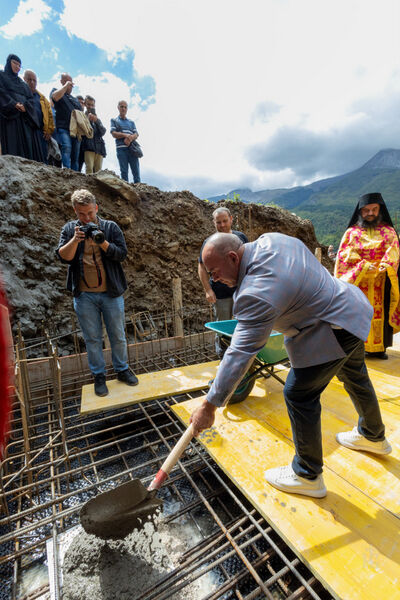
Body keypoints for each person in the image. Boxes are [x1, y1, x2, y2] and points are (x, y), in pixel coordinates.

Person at [190, 232, 391, 498]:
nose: (214, 280)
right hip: (351, 310)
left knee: (299, 394)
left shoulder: (256, 291)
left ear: (232, 257)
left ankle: (307, 474)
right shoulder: (272, 240)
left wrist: (210, 404)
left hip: (334, 327)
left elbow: (240, 351)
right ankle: (373, 435)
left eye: (214, 271)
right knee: (355, 374)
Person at [56, 189, 138, 396]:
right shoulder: (69, 229)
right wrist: (75, 240)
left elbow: (121, 255)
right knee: (92, 338)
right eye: (82, 214)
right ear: (75, 211)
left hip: (111, 293)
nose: (87, 218)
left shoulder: (110, 228)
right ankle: (99, 376)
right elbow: (62, 257)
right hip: (84, 296)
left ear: (97, 208)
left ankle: (122, 370)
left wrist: (102, 242)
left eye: (90, 213)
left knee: (118, 335)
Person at [335, 192, 400, 359]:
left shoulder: (389, 231)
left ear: (380, 210)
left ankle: (379, 349)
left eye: (374, 209)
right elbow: (344, 255)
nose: (370, 213)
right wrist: (363, 266)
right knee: (358, 315)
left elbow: (393, 251)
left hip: (381, 282)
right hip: (358, 283)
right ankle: (358, 349)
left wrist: (384, 266)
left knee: (381, 315)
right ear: (360, 211)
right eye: (366, 210)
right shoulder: (351, 233)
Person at [198, 207, 248, 357]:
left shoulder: (241, 238)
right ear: (214, 223)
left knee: (244, 325)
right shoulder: (210, 243)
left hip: (242, 291)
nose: (222, 225)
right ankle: (223, 358)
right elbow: (201, 267)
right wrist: (208, 290)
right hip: (221, 294)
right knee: (223, 328)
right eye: (218, 222)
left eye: (225, 221)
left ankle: (244, 357)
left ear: (231, 219)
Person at [0, 54, 44, 162]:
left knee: (27, 148)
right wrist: (13, 104)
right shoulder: (1, 76)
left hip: (24, 119)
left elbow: (30, 99)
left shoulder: (23, 84)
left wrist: (26, 107)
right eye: (15, 63)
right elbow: (1, 92)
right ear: (8, 62)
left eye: (20, 65)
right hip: (9, 118)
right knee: (12, 145)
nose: (17, 67)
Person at [50, 73, 83, 171]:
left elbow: (80, 112)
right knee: (66, 149)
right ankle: (66, 172)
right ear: (62, 82)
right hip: (63, 128)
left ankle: (76, 175)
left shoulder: (75, 99)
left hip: (76, 131)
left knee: (75, 155)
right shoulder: (56, 91)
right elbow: (55, 97)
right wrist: (65, 86)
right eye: (67, 81)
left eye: (71, 83)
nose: (70, 85)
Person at [23, 69, 55, 164]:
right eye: (29, 80)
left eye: (34, 80)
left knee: (42, 160)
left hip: (41, 133)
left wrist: (49, 131)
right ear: (24, 79)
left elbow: (50, 115)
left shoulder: (42, 98)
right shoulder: (21, 93)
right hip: (26, 131)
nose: (32, 82)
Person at [110, 100, 141, 183]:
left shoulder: (131, 122)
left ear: (127, 109)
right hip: (121, 150)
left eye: (125, 107)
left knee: (136, 172)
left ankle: (138, 193)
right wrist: (126, 135)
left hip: (132, 149)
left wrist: (130, 138)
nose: (123, 109)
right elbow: (113, 133)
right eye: (121, 107)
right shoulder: (114, 120)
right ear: (118, 108)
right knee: (124, 172)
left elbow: (136, 134)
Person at [81, 95, 106, 173]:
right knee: (89, 169)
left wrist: (96, 121)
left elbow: (103, 131)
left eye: (92, 105)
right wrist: (88, 120)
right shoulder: (82, 116)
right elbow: (82, 132)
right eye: (88, 104)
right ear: (85, 104)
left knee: (98, 172)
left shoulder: (97, 119)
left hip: (99, 148)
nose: (90, 107)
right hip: (88, 146)